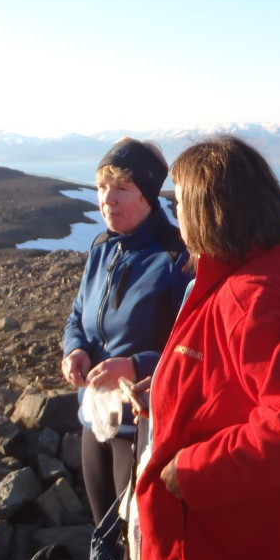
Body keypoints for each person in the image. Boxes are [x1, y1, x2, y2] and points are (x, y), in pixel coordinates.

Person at [136, 136, 280, 560]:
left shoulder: (249, 294)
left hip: (245, 538)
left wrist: (194, 470)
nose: (175, 214)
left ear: (210, 210)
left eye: (180, 203)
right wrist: (170, 388)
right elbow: (237, 375)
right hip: (270, 526)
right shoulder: (267, 265)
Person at [61, 138, 190, 525]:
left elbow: (192, 349)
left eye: (121, 188)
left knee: (135, 536)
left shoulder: (175, 258)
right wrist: (74, 350)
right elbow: (78, 314)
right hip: (95, 418)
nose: (108, 199)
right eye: (102, 187)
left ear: (148, 197)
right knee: (103, 529)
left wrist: (135, 367)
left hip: (142, 422)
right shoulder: (102, 248)